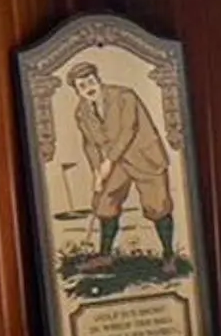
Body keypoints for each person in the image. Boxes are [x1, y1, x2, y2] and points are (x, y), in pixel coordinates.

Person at [66, 61, 178, 266]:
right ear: (77, 90)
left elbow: (128, 130)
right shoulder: (82, 112)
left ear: (98, 80)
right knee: (104, 203)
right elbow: (90, 144)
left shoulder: (125, 96)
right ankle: (105, 256)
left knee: (157, 206)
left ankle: (169, 256)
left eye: (90, 81)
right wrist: (97, 172)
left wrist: (108, 162)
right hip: (117, 162)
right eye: (82, 86)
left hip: (145, 157)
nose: (88, 88)